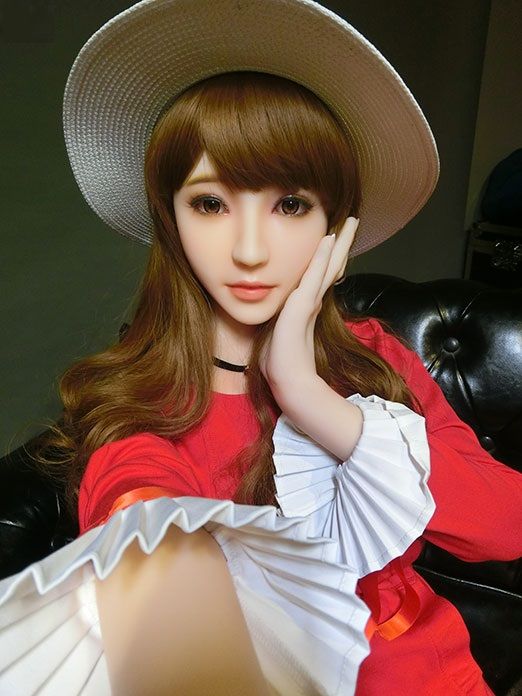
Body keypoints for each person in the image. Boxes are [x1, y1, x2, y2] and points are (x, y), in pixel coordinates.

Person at [0, 0, 520, 694]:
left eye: (291, 205)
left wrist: (310, 396)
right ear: (171, 219)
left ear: (337, 226)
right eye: (210, 203)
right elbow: (145, 530)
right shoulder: (136, 400)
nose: (249, 250)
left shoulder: (375, 355)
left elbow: (505, 526)